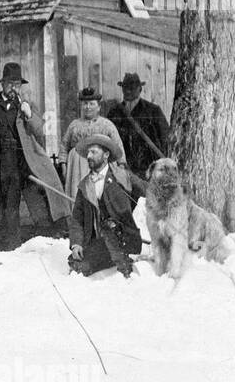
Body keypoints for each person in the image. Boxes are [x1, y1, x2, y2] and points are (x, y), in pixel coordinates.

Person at [0, 62, 67, 252]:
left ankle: (14, 244)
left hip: (22, 160)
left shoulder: (27, 106)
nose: (14, 88)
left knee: (17, 201)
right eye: (10, 83)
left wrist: (29, 115)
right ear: (2, 84)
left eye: (17, 84)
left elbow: (40, 132)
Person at [67, 135, 146, 278]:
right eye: (88, 153)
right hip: (99, 242)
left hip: (125, 238)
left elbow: (148, 191)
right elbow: (77, 218)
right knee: (76, 264)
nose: (89, 156)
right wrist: (76, 244)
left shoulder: (123, 177)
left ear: (106, 155)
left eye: (94, 152)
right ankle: (110, 259)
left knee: (109, 228)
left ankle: (125, 267)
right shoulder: (84, 185)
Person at [61, 87, 126, 202]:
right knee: (79, 196)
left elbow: (118, 145)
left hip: (100, 165)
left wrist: (121, 165)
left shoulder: (107, 125)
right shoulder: (74, 125)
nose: (88, 107)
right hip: (77, 167)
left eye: (92, 104)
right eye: (85, 104)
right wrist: (64, 165)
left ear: (99, 107)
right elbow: (64, 146)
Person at [106, 72, 171, 178]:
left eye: (132, 88)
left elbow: (165, 138)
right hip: (122, 168)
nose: (128, 91)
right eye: (125, 87)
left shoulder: (153, 111)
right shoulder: (114, 112)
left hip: (148, 168)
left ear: (140, 89)